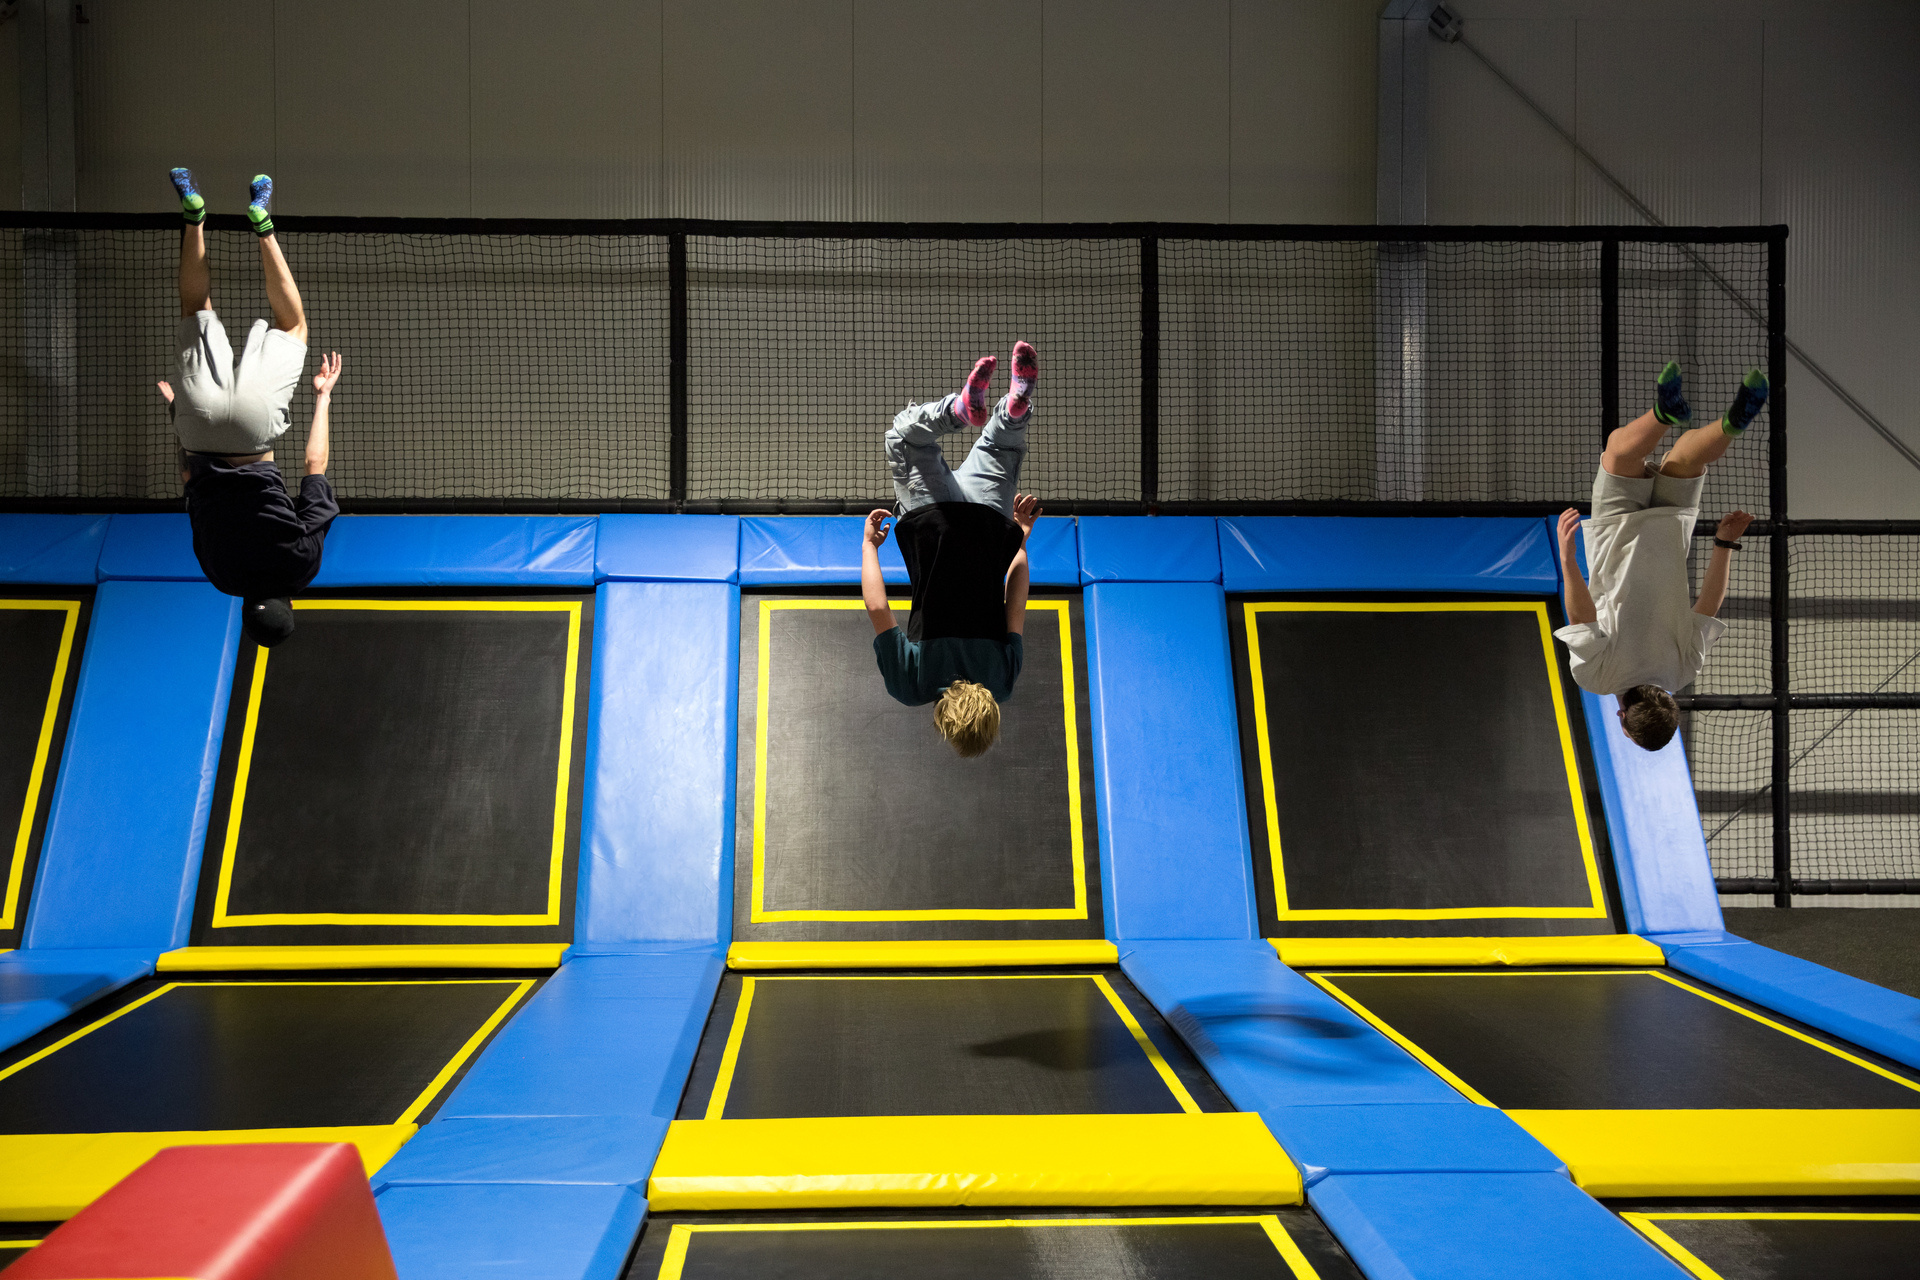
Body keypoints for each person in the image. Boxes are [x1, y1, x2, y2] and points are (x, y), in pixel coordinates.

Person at [157, 168, 340, 648]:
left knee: (293, 325)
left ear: (290, 606)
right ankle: (194, 218)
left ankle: (263, 225)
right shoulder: (221, 576)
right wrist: (178, 417)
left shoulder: (303, 566)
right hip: (197, 431)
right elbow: (191, 485)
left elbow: (314, 467)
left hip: (256, 436)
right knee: (195, 306)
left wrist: (322, 395)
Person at [1555, 361, 1769, 750]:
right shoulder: (1598, 679)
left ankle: (1730, 425)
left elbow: (1709, 605)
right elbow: (1581, 619)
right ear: (1623, 720)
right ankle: (1663, 413)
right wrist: (1568, 562)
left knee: (1685, 459)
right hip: (1615, 536)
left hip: (1671, 532)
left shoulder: (1686, 670)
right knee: (1619, 455)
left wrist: (1724, 544)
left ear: (1671, 706)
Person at [860, 343, 1043, 757]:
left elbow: (1016, 594)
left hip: (990, 523)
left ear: (991, 711)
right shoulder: (912, 685)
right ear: (945, 718)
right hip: (932, 522)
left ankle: (1016, 405)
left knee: (1002, 449)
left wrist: (1019, 537)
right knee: (904, 438)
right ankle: (959, 411)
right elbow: (877, 609)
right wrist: (869, 547)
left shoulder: (1004, 680)